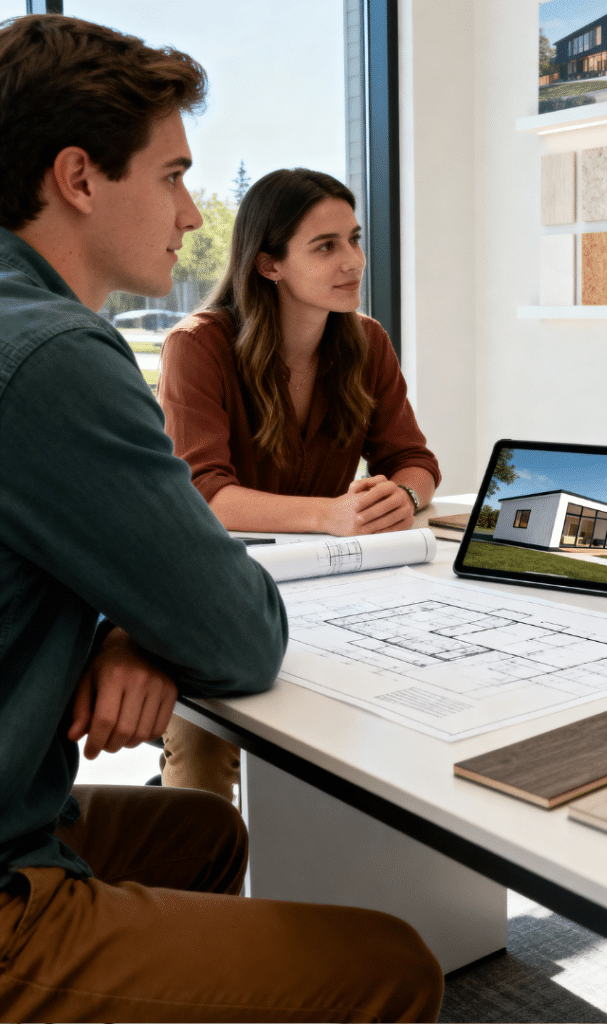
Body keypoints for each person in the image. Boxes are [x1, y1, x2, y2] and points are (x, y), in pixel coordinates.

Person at [0, 13, 442, 1021]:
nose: (190, 214)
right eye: (170, 176)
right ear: (78, 178)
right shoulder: (63, 353)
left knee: (202, 834)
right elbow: (238, 631)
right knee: (394, 966)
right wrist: (161, 607)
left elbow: (411, 459)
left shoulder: (359, 343)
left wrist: (132, 617)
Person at [156, 167, 441, 799]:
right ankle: (193, 885)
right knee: (204, 745)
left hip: (336, 590)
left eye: (355, 239)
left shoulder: (368, 343)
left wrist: (406, 494)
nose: (354, 261)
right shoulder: (197, 346)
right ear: (268, 265)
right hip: (219, 591)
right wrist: (332, 515)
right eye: (326, 246)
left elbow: (415, 459)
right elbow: (206, 497)